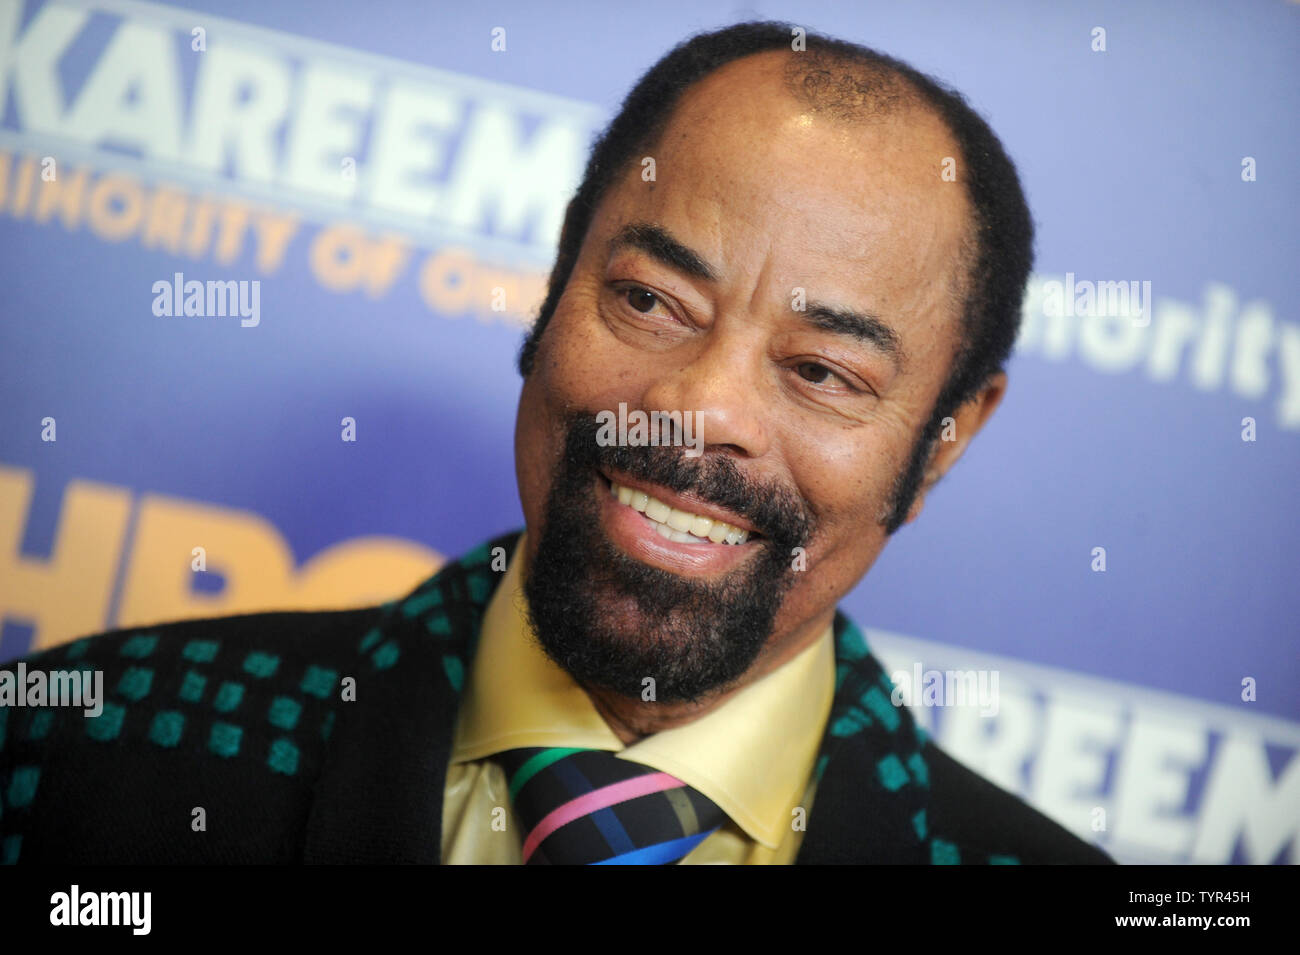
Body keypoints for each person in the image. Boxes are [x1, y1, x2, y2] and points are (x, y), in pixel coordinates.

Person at [0, 21, 1112, 865]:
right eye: (649, 300)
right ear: (553, 287)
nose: (698, 407)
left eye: (822, 371)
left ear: (946, 439)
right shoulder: (82, 748)